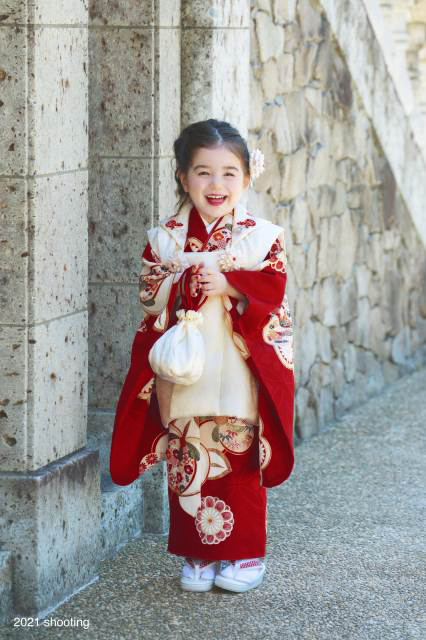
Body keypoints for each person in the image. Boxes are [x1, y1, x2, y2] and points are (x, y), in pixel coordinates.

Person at [109, 118, 295, 593]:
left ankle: (246, 555)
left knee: (235, 454)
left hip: (237, 367)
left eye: (230, 173)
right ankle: (197, 555)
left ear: (248, 178)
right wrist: (179, 280)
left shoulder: (259, 236)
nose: (217, 185)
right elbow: (149, 295)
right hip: (185, 367)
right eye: (204, 172)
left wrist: (232, 283)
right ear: (183, 177)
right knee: (188, 454)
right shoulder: (166, 239)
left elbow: (274, 291)